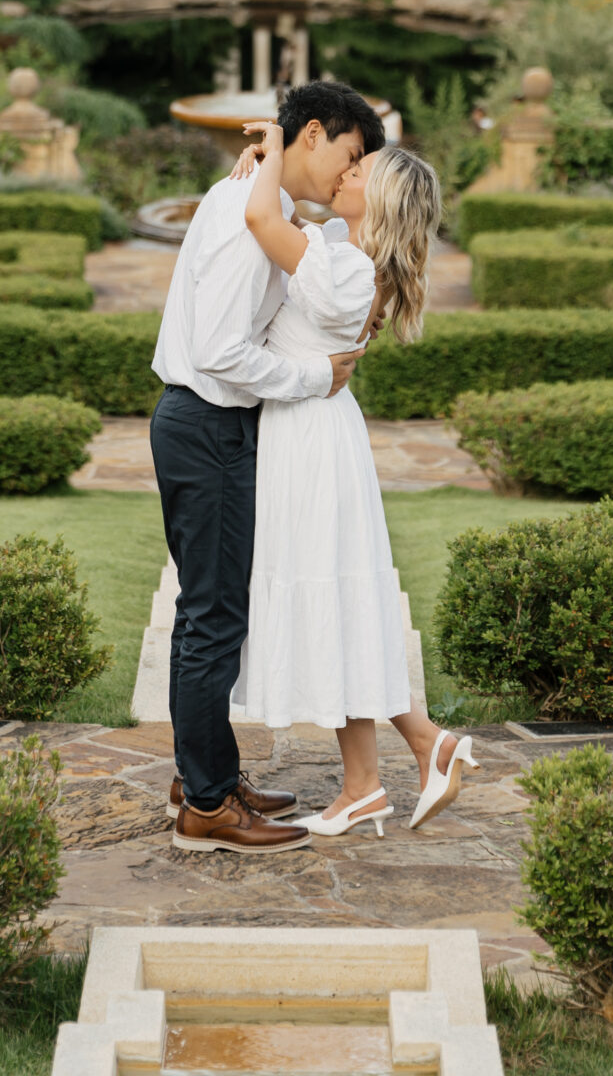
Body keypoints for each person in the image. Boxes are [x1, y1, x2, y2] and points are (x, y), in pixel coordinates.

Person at [150, 78, 386, 855]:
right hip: (208, 423)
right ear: (312, 135)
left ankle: (205, 773)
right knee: (211, 619)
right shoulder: (251, 212)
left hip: (209, 425)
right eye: (348, 156)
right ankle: (209, 806)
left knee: (216, 610)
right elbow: (222, 352)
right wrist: (315, 378)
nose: (346, 177)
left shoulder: (259, 203)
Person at [230, 128, 480, 836]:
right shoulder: (344, 256)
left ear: (380, 198)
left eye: (358, 167)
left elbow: (258, 219)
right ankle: (379, 774)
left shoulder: (343, 269)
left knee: (333, 598)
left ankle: (396, 763)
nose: (343, 169)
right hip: (311, 430)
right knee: (339, 602)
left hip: (310, 439)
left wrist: (274, 146)